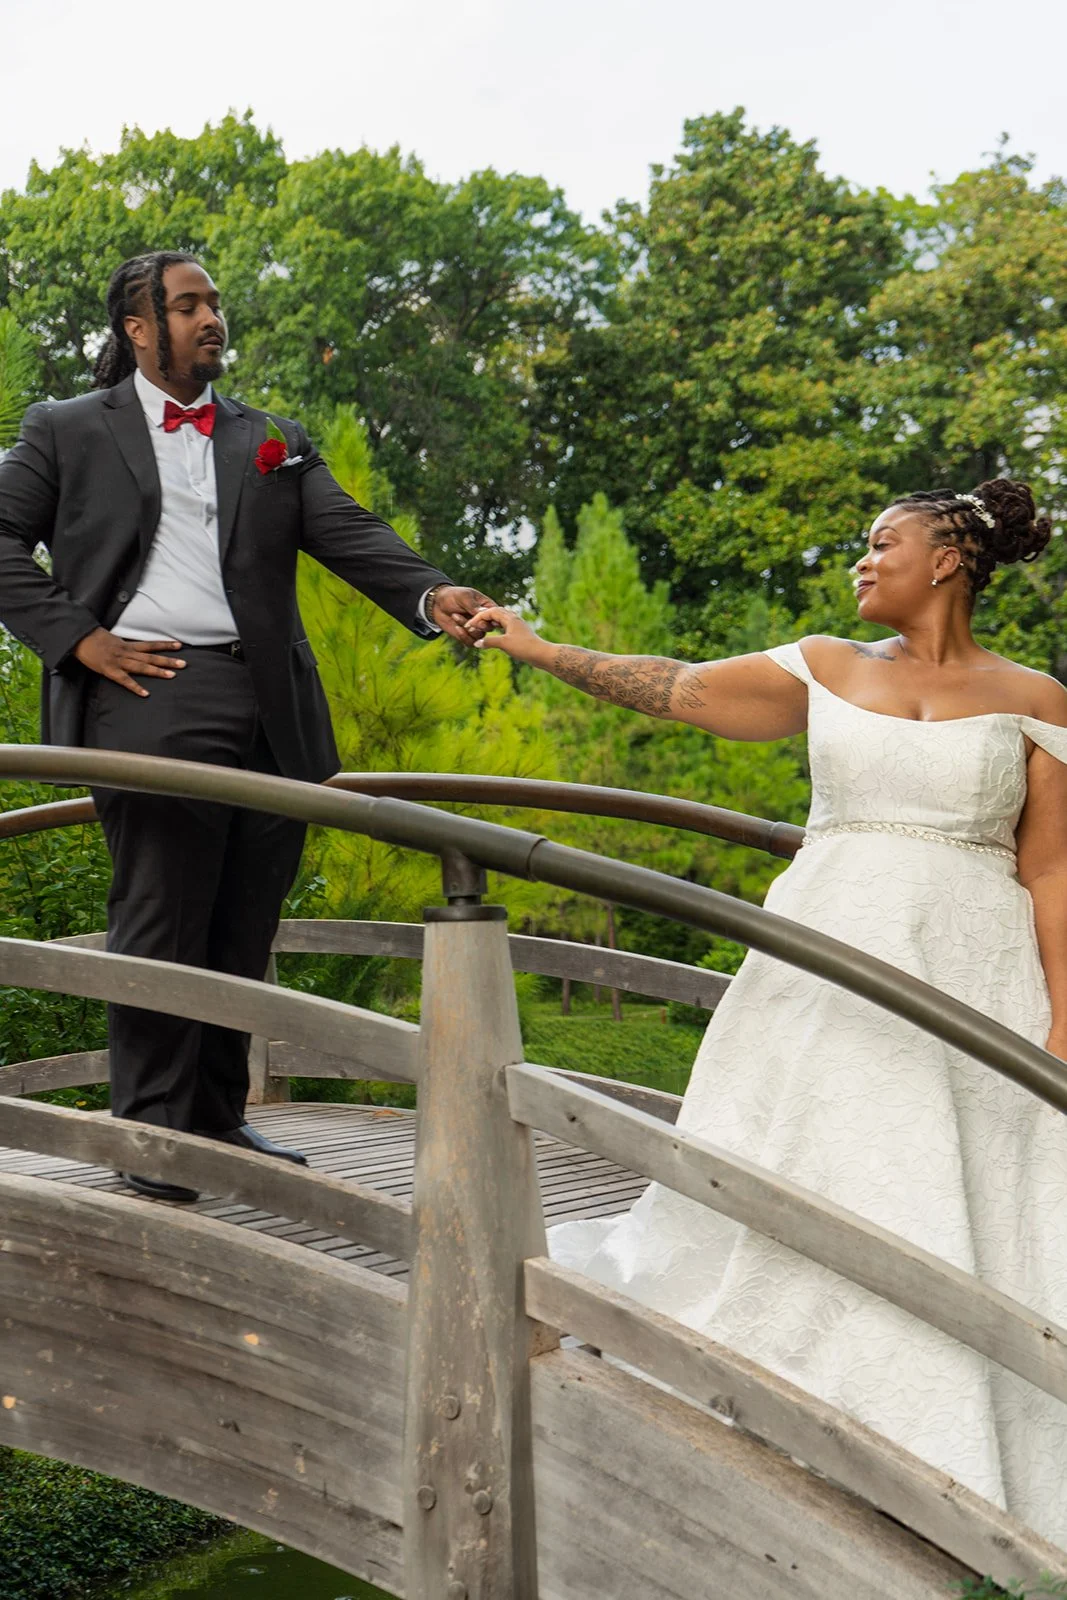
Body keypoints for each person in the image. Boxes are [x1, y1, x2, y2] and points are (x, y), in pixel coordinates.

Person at [470, 478, 1067, 1547]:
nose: (859, 559)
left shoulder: (1036, 697)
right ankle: (790, 1397)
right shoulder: (827, 663)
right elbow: (679, 688)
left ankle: (964, 1440)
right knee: (821, 1152)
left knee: (960, 1182)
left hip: (975, 971)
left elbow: (1053, 876)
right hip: (829, 959)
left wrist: (1062, 1025)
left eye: (880, 542)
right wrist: (533, 646)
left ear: (945, 560)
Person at [0, 250, 492, 1202]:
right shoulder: (64, 429)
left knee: (244, 915)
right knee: (159, 915)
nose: (210, 319)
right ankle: (147, 1136)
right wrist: (81, 642)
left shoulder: (272, 437)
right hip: (147, 693)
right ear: (138, 328)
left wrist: (432, 594)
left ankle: (218, 1119)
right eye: (187, 307)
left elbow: (350, 532)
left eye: (214, 304)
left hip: (272, 702)